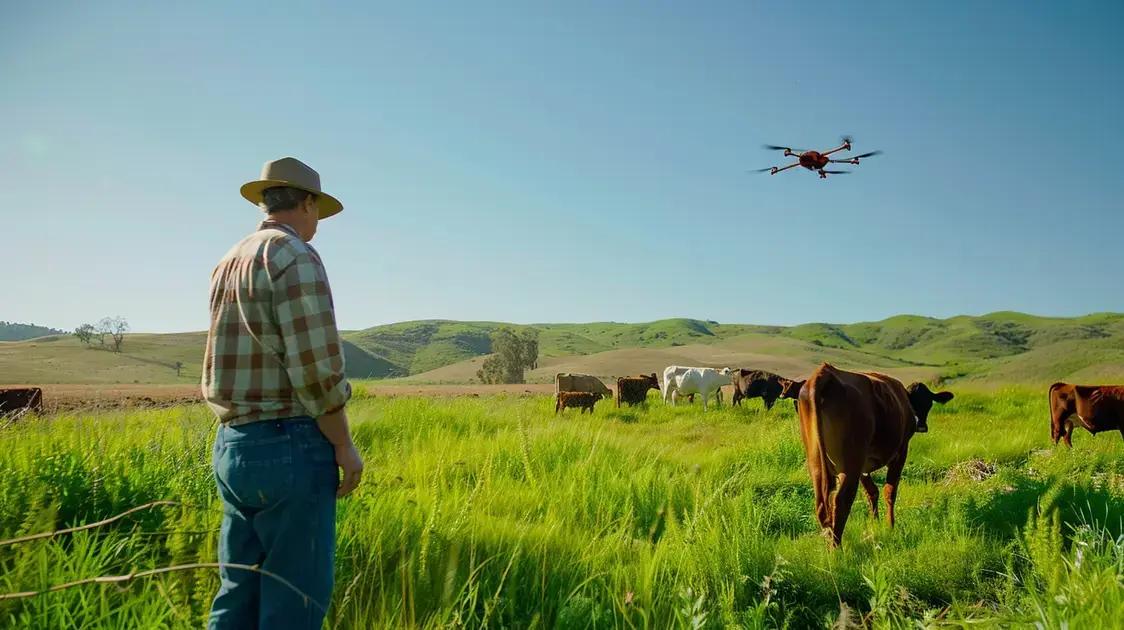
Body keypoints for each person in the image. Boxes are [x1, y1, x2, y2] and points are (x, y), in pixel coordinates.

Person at [202, 156, 364, 629]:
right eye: (318, 211)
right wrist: (343, 444)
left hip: (232, 444)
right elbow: (315, 372)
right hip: (290, 445)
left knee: (237, 592)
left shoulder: (228, 260)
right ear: (307, 203)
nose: (318, 224)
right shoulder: (295, 256)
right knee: (293, 599)